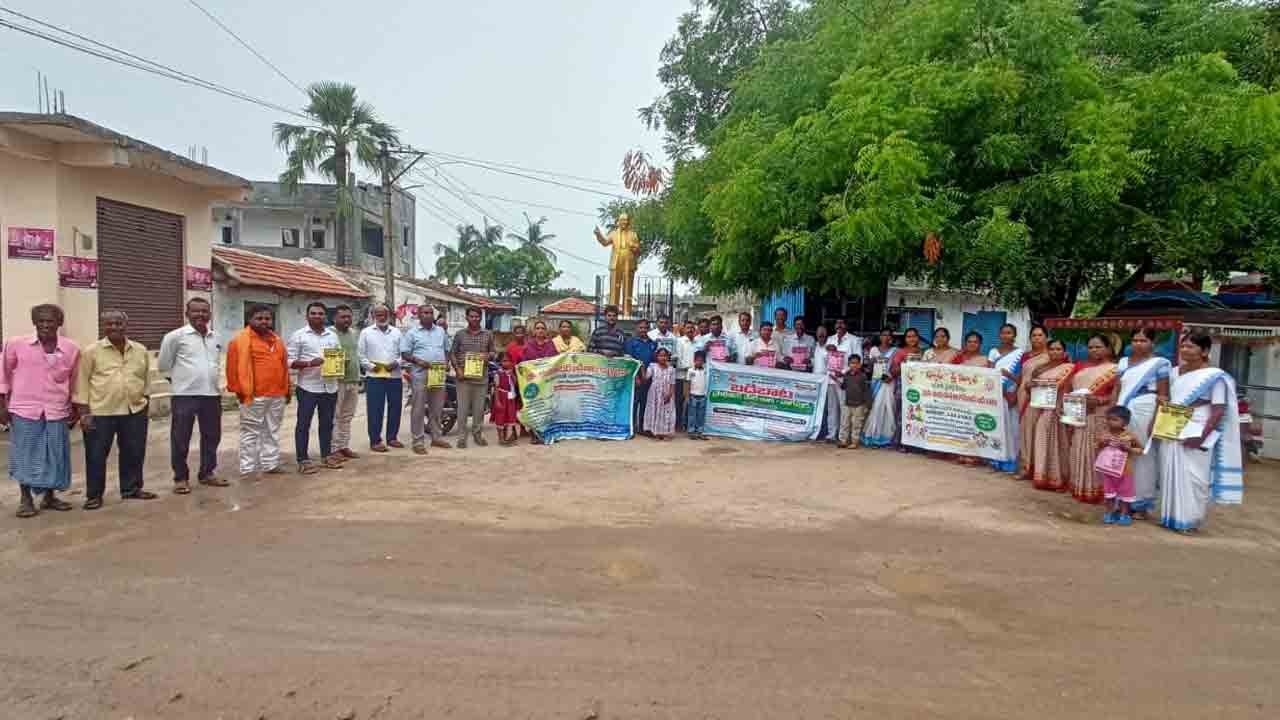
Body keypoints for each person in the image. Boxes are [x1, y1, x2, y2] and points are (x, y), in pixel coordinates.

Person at [1158, 333, 1243, 534]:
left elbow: (1219, 409)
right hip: (1173, 425)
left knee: (1194, 476)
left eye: (1191, 347)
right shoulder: (1175, 372)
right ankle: (1171, 517)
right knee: (1170, 469)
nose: (1185, 350)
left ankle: (1190, 520)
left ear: (1204, 351)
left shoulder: (1214, 376)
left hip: (1197, 425)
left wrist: (1202, 436)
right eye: (1183, 346)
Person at [0, 304, 80, 518]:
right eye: (41, 320)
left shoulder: (71, 349)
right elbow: (4, 375)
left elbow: (74, 379)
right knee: (25, 454)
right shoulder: (16, 345)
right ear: (34, 322)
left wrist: (75, 406)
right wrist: (2, 405)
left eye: (50, 320)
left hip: (57, 409)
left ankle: (49, 497)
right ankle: (25, 499)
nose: (45, 325)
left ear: (59, 323)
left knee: (54, 454)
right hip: (25, 409)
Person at [74, 310, 156, 508]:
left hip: (134, 410)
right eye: (109, 324)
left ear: (125, 325)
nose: (114, 327)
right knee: (95, 455)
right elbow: (82, 382)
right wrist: (84, 413)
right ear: (103, 326)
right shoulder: (91, 351)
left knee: (134, 452)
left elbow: (145, 378)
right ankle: (94, 495)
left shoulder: (140, 350)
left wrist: (144, 400)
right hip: (101, 412)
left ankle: (132, 489)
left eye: (118, 323)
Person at [158, 297, 224, 495]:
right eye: (196, 311)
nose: (200, 315)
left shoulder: (216, 337)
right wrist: (180, 383)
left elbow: (215, 363)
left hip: (211, 395)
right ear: (187, 314)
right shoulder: (175, 337)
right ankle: (180, 477)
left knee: (212, 436)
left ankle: (207, 473)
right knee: (180, 438)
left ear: (210, 314)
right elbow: (164, 365)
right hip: (184, 396)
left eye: (204, 311)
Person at [227, 304, 291, 480]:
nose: (264, 321)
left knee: (272, 430)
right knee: (250, 432)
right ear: (250, 320)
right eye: (259, 318)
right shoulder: (239, 341)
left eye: (267, 318)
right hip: (253, 396)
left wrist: (287, 390)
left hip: (277, 394)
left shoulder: (277, 340)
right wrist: (240, 392)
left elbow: (283, 366)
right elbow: (232, 370)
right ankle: (247, 468)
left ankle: (270, 464)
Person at [1115, 328, 1171, 516]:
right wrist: (1113, 411)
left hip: (1146, 408)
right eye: (1135, 340)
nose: (1138, 344)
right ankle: (1121, 498)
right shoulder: (1123, 362)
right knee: (1122, 452)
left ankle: (1140, 503)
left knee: (1143, 454)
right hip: (1123, 409)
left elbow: (1163, 395)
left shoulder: (1160, 363)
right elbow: (1117, 388)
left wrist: (1155, 419)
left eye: (1143, 340)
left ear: (1152, 343)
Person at [288, 302, 343, 474]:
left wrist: (339, 363)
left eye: (320, 314)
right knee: (303, 424)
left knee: (327, 424)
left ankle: (326, 456)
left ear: (325, 316)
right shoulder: (298, 336)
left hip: (330, 387)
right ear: (307, 316)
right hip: (308, 387)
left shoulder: (332, 336)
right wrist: (310, 363)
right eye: (313, 313)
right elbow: (288, 362)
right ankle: (303, 460)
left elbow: (338, 355)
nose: (317, 316)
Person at [1066, 334, 1120, 504]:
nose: (1094, 350)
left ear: (1109, 348)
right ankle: (1080, 487)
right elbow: (1068, 389)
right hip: (1078, 415)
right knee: (1078, 450)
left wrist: (1098, 400)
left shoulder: (1116, 369)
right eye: (1090, 347)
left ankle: (1100, 491)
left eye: (1098, 347)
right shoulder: (1080, 366)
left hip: (1100, 415)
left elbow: (1116, 394)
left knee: (1096, 452)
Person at [400, 304, 451, 454]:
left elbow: (447, 349)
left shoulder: (441, 331)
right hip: (420, 373)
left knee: (437, 407)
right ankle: (418, 441)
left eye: (430, 313)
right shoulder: (412, 333)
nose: (428, 315)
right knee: (418, 408)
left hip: (438, 373)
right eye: (425, 313)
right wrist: (418, 361)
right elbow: (405, 353)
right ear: (419, 316)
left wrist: (446, 362)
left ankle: (436, 437)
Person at [1028, 339, 1076, 492]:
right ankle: (1043, 477)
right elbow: (1031, 391)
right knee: (1042, 442)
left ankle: (1059, 480)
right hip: (1042, 410)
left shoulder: (1070, 368)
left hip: (1060, 409)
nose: (1055, 352)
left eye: (1058, 349)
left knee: (1061, 444)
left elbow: (1072, 389)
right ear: (1047, 351)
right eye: (1052, 349)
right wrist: (1029, 386)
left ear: (1064, 352)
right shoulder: (1039, 369)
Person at [359, 304, 404, 452]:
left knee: (395, 407)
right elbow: (360, 355)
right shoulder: (366, 333)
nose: (382, 317)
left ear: (389, 316)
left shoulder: (397, 333)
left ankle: (392, 438)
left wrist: (397, 363)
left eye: (384, 314)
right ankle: (375, 441)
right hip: (374, 376)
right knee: (375, 409)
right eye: (378, 315)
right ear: (373, 317)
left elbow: (403, 353)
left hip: (394, 375)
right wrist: (372, 367)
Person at [451, 306, 496, 448]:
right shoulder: (459, 334)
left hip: (481, 377)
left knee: (479, 409)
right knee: (462, 409)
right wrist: (457, 369)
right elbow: (452, 353)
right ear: (467, 317)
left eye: (477, 316)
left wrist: (487, 355)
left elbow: (494, 352)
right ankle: (462, 437)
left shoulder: (488, 334)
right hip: (463, 377)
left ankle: (477, 435)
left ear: (480, 318)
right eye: (472, 316)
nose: (474, 319)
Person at [1096, 406, 1144, 526]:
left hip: (1125, 472)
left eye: (1114, 419)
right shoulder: (1104, 434)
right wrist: (1102, 442)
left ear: (1125, 422)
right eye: (1108, 419)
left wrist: (1129, 448)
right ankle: (1109, 513)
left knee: (1125, 495)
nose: (1110, 422)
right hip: (1108, 470)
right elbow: (1097, 447)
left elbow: (1141, 450)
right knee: (1109, 494)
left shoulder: (1130, 436)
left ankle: (1124, 515)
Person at [949, 332, 992, 464]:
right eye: (969, 341)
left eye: (975, 342)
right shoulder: (958, 359)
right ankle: (961, 453)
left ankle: (975, 455)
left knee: (976, 427)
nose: (972, 344)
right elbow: (948, 372)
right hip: (960, 398)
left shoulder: (986, 360)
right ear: (965, 343)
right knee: (961, 425)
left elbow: (990, 380)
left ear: (980, 344)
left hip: (977, 399)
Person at [1016, 325, 1051, 479]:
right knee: (1025, 431)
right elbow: (1021, 378)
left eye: (1040, 335)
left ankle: (1040, 469)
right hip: (1024, 395)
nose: (1037, 338)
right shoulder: (1025, 356)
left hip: (1042, 397)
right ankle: (1026, 467)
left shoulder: (1053, 355)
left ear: (1046, 337)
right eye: (1034, 335)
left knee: (1040, 432)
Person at [988, 324, 1024, 472]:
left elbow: (1020, 377)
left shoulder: (1020, 353)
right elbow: (989, 374)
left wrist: (1010, 380)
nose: (1005, 335)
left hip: (1012, 392)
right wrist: (999, 389)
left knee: (1012, 428)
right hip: (997, 393)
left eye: (1009, 333)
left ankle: (1011, 460)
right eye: (1003, 333)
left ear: (1014, 335)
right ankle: (996, 459)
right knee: (998, 427)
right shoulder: (993, 352)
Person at [330, 305, 362, 462]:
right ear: (334, 318)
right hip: (337, 381)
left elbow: (357, 355)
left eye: (349, 317)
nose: (347, 320)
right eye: (343, 317)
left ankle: (343, 445)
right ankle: (333, 448)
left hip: (353, 379)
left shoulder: (353, 333)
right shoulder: (329, 334)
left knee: (347, 416)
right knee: (335, 415)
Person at [521, 320, 558, 444]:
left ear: (546, 331)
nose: (540, 330)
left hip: (547, 381)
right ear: (534, 331)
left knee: (548, 406)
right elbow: (524, 363)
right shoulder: (528, 345)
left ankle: (549, 433)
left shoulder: (551, 345)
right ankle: (534, 435)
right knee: (535, 407)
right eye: (538, 328)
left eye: (542, 328)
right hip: (533, 382)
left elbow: (556, 360)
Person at [862, 328, 900, 448]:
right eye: (884, 335)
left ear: (891, 338)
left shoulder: (895, 351)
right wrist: (871, 362)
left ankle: (887, 437)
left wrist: (891, 376)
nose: (886, 337)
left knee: (888, 407)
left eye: (889, 335)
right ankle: (873, 435)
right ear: (880, 337)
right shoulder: (873, 350)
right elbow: (868, 369)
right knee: (875, 408)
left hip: (888, 382)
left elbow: (897, 367)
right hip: (876, 382)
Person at [625, 318, 657, 433]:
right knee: (634, 402)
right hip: (635, 377)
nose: (643, 330)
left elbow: (654, 362)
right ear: (636, 328)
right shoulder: (631, 342)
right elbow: (629, 361)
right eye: (641, 327)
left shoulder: (653, 343)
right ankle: (632, 426)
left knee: (645, 403)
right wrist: (636, 377)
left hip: (648, 378)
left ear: (649, 329)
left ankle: (643, 427)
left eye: (645, 328)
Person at [641, 347, 677, 440]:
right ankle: (656, 433)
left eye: (665, 355)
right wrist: (642, 367)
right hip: (655, 394)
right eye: (660, 355)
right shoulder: (652, 366)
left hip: (667, 393)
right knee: (655, 411)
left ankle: (665, 433)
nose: (663, 358)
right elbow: (645, 378)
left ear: (668, 357)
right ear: (657, 357)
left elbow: (673, 383)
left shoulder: (671, 369)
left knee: (666, 413)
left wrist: (670, 394)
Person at [839, 354, 871, 449]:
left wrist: (868, 404)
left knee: (856, 424)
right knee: (845, 423)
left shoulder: (863, 376)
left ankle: (854, 442)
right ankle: (843, 441)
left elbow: (866, 391)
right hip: (848, 403)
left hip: (859, 404)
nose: (854, 365)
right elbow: (844, 387)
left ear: (860, 364)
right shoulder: (846, 375)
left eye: (856, 363)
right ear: (849, 364)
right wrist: (837, 380)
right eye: (852, 363)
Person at [491, 352, 520, 445]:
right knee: (500, 418)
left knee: (508, 417)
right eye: (504, 361)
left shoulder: (512, 373)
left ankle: (506, 437)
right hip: (502, 398)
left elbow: (515, 384)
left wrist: (512, 375)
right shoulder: (498, 374)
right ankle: (500, 439)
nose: (506, 363)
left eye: (508, 361)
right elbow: (496, 388)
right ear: (500, 362)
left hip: (510, 399)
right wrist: (497, 401)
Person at [676, 322, 700, 431]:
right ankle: (678, 423)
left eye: (692, 328)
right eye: (688, 328)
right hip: (681, 376)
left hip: (694, 377)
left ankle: (687, 423)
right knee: (679, 401)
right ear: (684, 329)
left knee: (691, 401)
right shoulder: (680, 341)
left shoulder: (697, 343)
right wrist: (690, 368)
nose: (690, 330)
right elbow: (678, 360)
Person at [686, 350, 709, 440]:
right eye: (697, 360)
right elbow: (687, 383)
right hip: (693, 395)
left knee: (701, 415)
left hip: (703, 396)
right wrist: (687, 396)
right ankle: (691, 431)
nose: (699, 362)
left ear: (704, 362)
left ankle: (700, 431)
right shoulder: (690, 370)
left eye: (701, 360)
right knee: (692, 415)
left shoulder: (706, 371)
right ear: (694, 360)